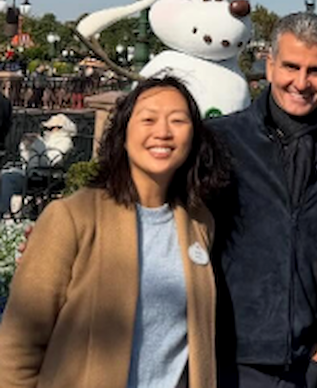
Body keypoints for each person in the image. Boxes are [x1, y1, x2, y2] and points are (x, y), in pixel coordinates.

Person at [0, 76, 229, 387]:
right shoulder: (72, 217)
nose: (163, 132)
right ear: (123, 133)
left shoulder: (199, 224)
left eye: (178, 120)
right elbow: (18, 346)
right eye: (148, 119)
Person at [208, 12, 317, 388]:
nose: (301, 83)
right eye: (291, 66)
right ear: (269, 66)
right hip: (227, 359)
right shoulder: (220, 143)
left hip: (302, 366)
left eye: (315, 71)